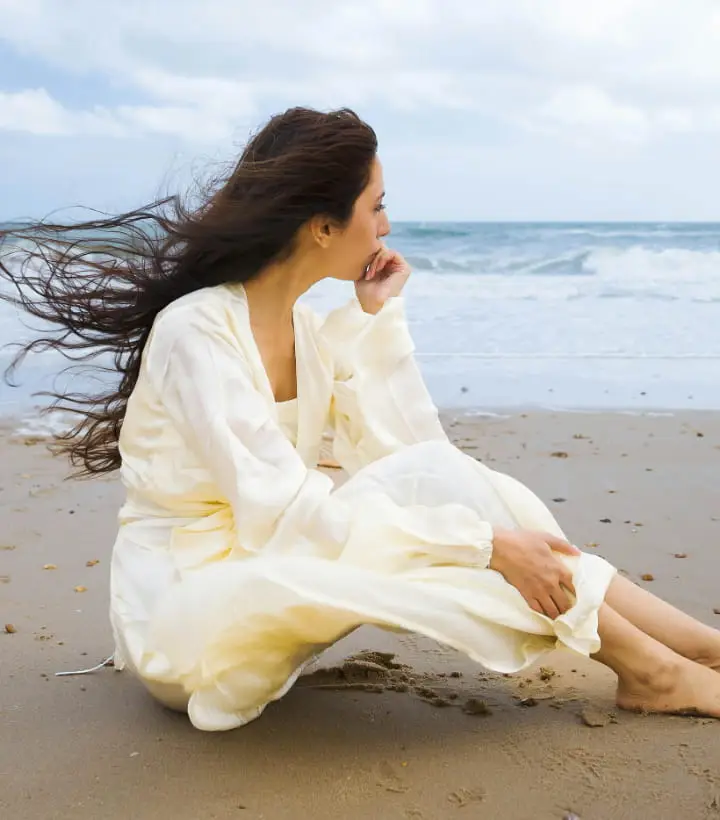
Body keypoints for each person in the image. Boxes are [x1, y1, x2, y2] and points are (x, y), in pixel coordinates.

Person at [2, 107, 720, 732]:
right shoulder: (197, 332)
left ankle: (685, 651)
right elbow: (286, 512)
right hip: (188, 617)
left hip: (263, 576)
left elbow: (413, 456)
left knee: (456, 496)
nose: (385, 225)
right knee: (467, 529)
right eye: (375, 205)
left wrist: (380, 319)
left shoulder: (312, 338)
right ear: (321, 225)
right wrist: (484, 546)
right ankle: (663, 666)